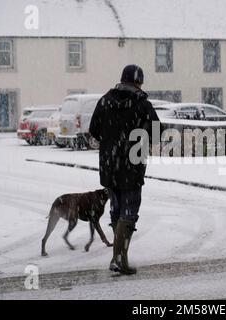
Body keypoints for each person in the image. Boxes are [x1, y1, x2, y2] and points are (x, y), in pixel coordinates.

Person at [89, 65, 160, 275]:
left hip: (110, 166)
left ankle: (116, 258)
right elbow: (156, 134)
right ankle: (120, 259)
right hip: (132, 165)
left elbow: (94, 130)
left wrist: (112, 141)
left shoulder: (104, 101)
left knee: (116, 210)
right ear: (138, 82)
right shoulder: (142, 105)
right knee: (128, 213)